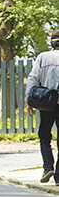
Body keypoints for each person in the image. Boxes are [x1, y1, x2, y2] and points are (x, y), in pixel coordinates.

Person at [26, 29, 59, 186]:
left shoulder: (42, 57)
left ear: (51, 42)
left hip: (47, 104)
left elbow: (33, 78)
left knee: (44, 136)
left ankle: (47, 167)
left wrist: (29, 101)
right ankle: (58, 175)